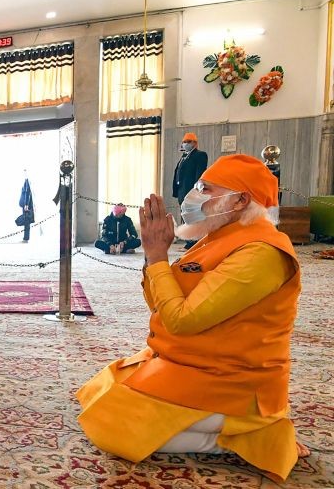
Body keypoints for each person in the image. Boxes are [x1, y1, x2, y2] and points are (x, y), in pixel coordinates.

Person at [76, 154, 307, 483]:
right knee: (100, 389)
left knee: (109, 422)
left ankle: (248, 438)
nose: (193, 196)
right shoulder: (216, 239)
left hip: (232, 382)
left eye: (205, 189)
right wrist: (152, 257)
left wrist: (157, 256)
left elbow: (183, 320)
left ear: (241, 200)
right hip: (190, 362)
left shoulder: (261, 252)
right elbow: (160, 306)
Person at [172, 132, 208, 250]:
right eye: (184, 142)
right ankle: (189, 242)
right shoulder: (184, 157)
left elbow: (200, 174)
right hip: (182, 191)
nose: (185, 144)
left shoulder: (200, 155)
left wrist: (196, 190)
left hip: (191, 191)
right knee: (185, 217)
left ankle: (193, 243)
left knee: (192, 217)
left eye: (188, 141)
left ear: (195, 143)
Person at [17, 177, 34, 242]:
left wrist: (26, 204)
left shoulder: (28, 181)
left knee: (26, 221)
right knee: (26, 221)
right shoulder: (27, 180)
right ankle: (26, 238)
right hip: (26, 204)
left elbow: (28, 192)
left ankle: (26, 238)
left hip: (26, 205)